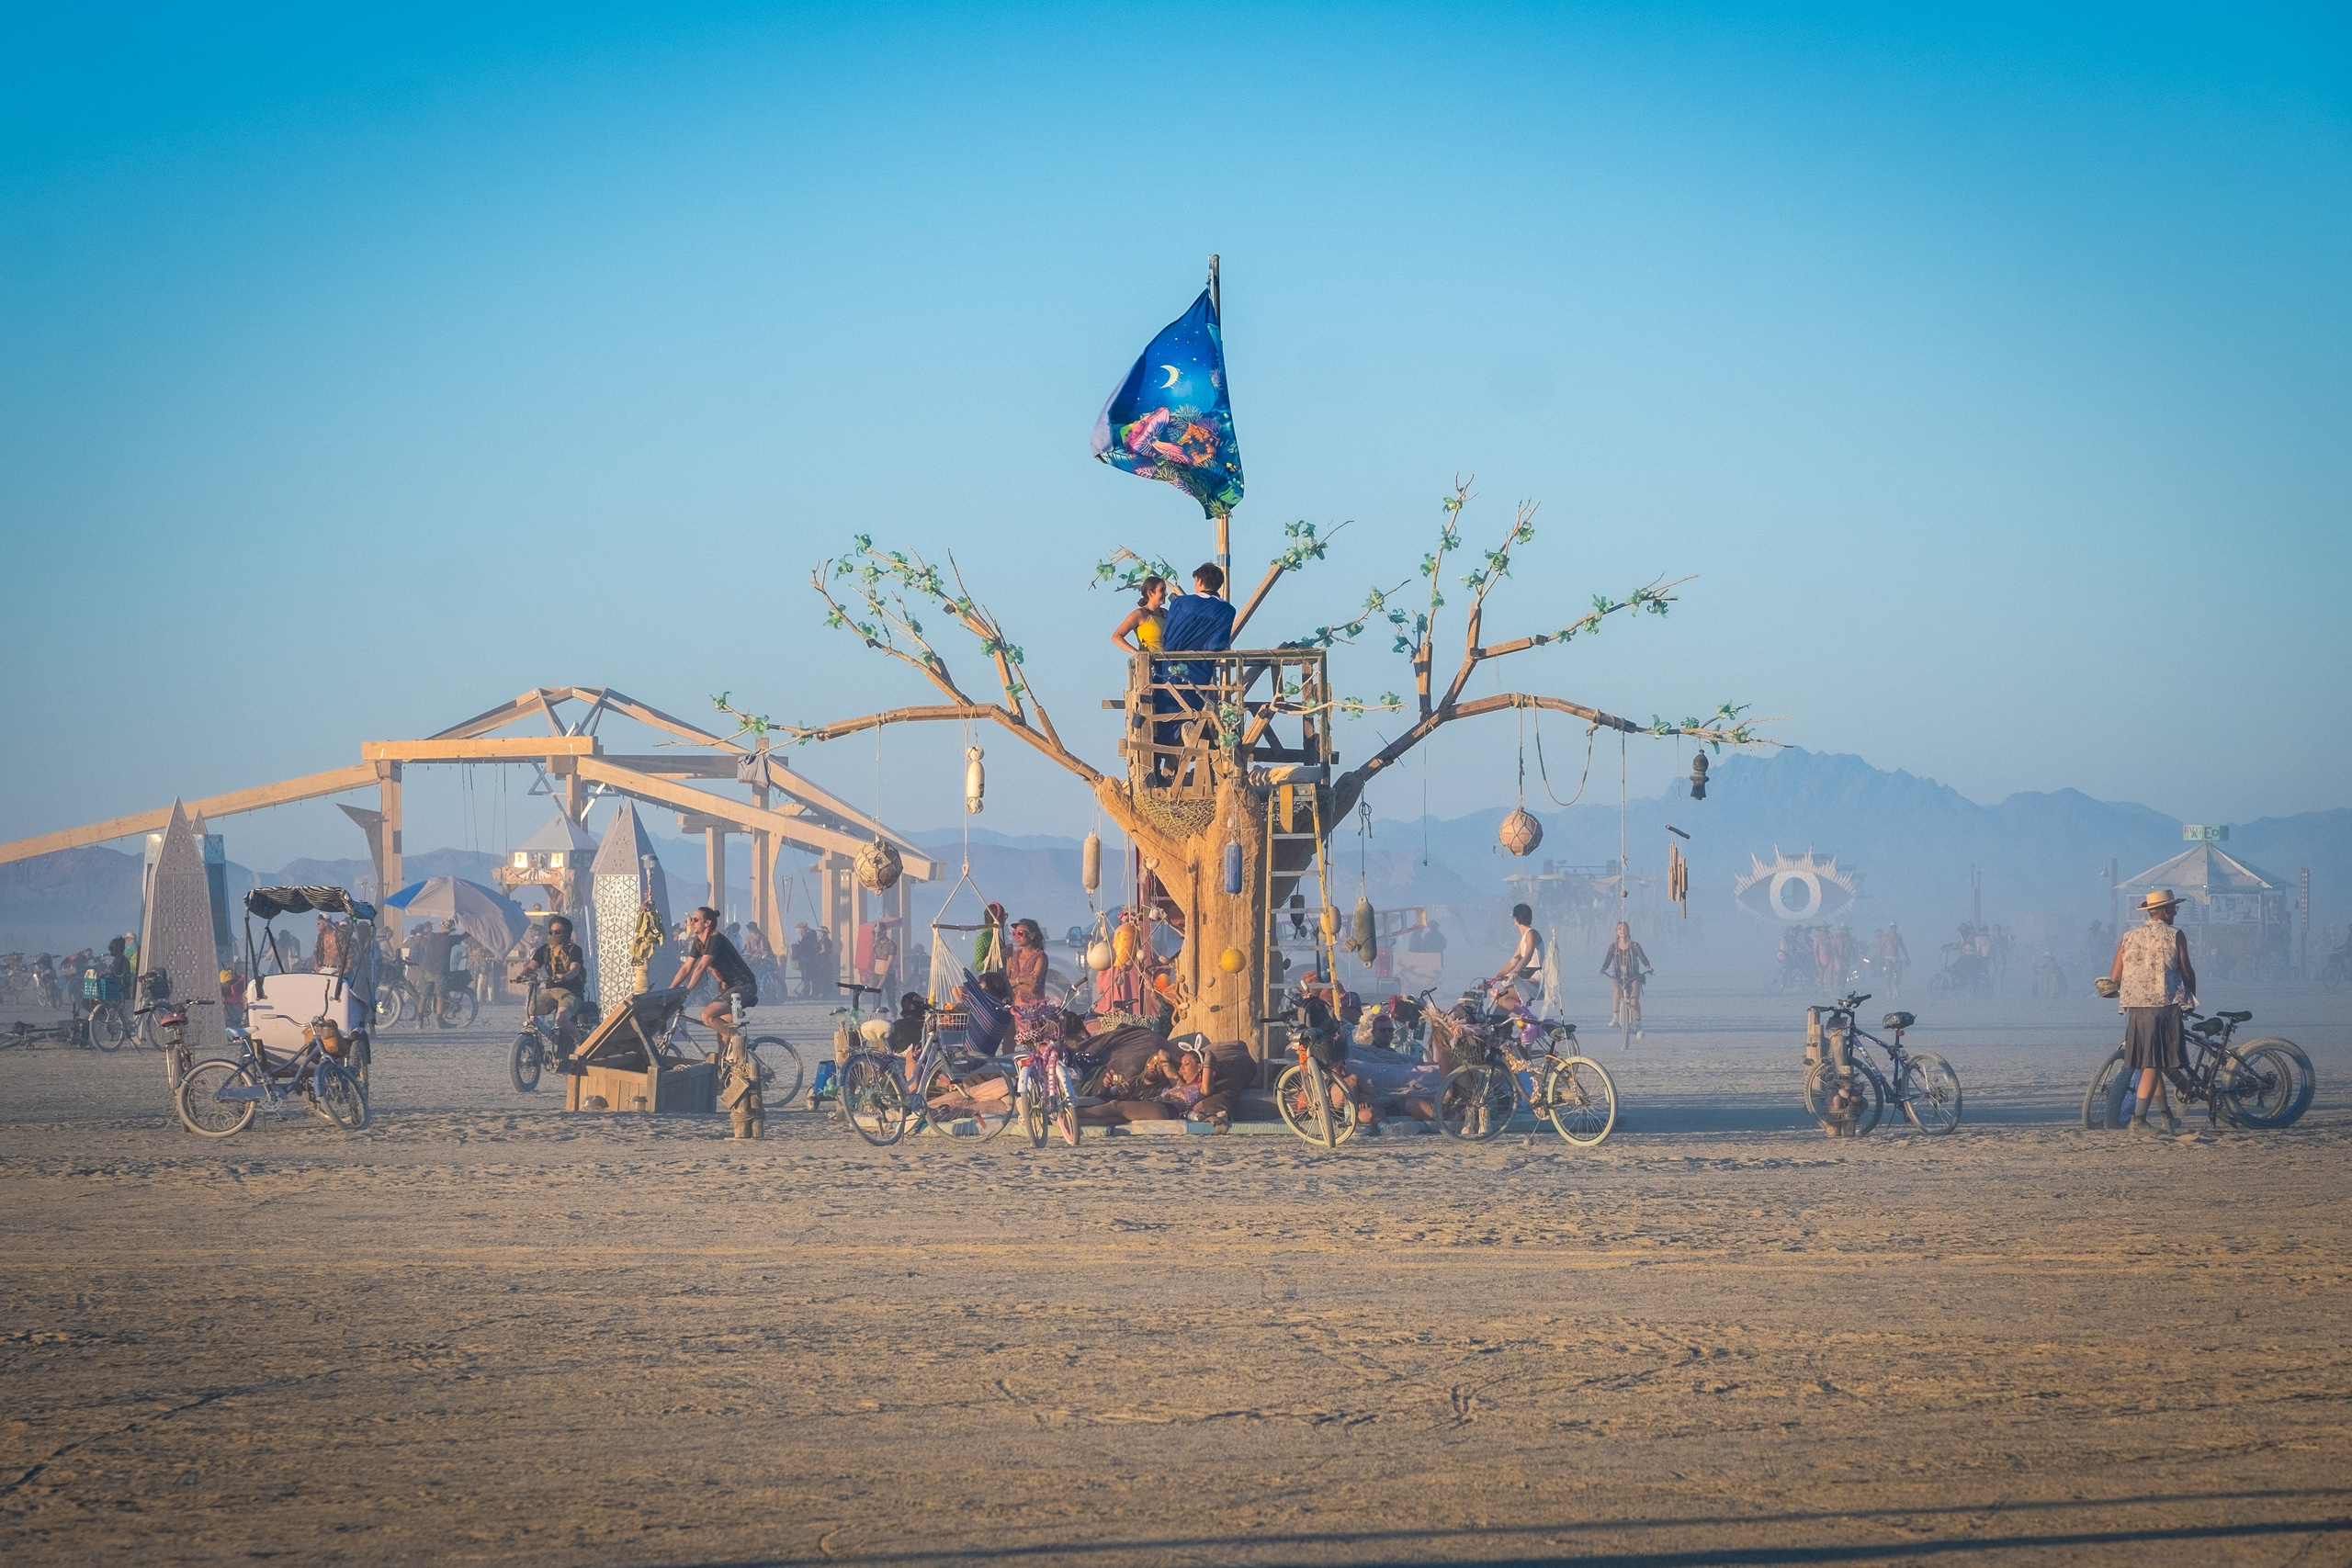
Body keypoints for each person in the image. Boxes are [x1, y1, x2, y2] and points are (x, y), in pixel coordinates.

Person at [2106, 888, 2197, 1134]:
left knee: (2151, 1061)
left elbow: (2115, 975)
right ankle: (2138, 1120)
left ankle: (2167, 1117)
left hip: (2135, 1009)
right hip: (2163, 1007)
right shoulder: (2175, 935)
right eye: (2174, 909)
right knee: (2154, 1064)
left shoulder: (2129, 937)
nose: (2175, 914)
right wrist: (2191, 997)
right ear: (2165, 911)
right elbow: (2186, 971)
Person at [671, 906, 756, 1057]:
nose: (691, 922)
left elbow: (701, 967)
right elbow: (686, 968)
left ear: (707, 923)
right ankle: (723, 1073)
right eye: (691, 919)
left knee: (707, 1016)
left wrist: (687, 991)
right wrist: (670, 990)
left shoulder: (715, 940)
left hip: (743, 986)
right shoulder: (699, 942)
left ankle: (743, 1040)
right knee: (723, 1037)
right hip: (727, 989)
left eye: (696, 919)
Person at [528, 915, 592, 1043]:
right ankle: (537, 1047)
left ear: (566, 933)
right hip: (551, 991)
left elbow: (575, 969)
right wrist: (522, 975)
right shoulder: (544, 950)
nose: (553, 935)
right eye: (551, 932)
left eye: (558, 932)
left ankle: (580, 1041)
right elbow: (532, 966)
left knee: (561, 1019)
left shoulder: (574, 950)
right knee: (532, 1011)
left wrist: (565, 976)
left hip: (571, 993)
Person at [1599, 921, 1652, 1038]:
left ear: (1629, 930)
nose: (1622, 931)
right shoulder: (1613, 947)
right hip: (1618, 976)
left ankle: (1638, 1025)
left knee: (1634, 1001)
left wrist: (1648, 967)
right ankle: (1616, 1017)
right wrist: (1603, 969)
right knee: (1616, 991)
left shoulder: (1635, 946)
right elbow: (1607, 961)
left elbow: (1643, 958)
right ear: (1616, 932)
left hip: (1634, 976)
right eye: (1620, 929)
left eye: (1625, 928)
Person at [1491, 903, 1544, 1004]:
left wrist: (1516, 971)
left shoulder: (1531, 933)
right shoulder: (1524, 937)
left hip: (1537, 980)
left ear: (1515, 919)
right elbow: (1513, 961)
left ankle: (1529, 1018)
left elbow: (1528, 954)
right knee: (1501, 999)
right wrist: (1496, 976)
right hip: (1528, 978)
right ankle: (1498, 1019)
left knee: (1503, 995)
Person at [1110, 574, 1170, 654]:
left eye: (1165, 590)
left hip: (1169, 663)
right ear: (1150, 593)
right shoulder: (1140, 614)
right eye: (1162, 590)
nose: (1166, 593)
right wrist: (1136, 652)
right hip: (1150, 664)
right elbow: (1116, 637)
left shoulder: (1166, 613)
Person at [1006, 918, 1048, 1005]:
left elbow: (1032, 989)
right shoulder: (1012, 957)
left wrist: (1013, 983)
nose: (1017, 937)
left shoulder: (1040, 957)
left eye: (1020, 933)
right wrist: (1023, 980)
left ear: (1032, 936)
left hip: (1033, 1011)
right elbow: (1005, 982)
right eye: (1014, 933)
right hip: (1013, 1009)